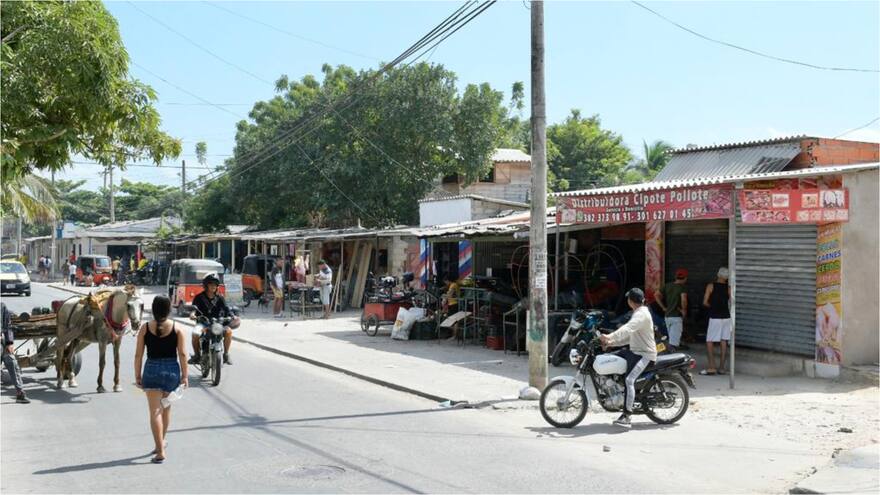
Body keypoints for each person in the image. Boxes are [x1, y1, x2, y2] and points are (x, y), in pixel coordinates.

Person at [134, 295, 188, 464]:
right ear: (169, 309)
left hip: (151, 370)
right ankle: (161, 443)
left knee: (155, 412)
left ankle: (160, 451)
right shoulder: (177, 328)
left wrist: (137, 375)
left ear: (154, 309)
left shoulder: (145, 328)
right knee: (165, 409)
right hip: (171, 372)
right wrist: (185, 376)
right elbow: (183, 354)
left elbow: (138, 354)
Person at [599, 288, 656, 429]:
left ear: (630, 301)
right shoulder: (638, 313)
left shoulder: (640, 315)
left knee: (629, 380)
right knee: (610, 358)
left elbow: (627, 329)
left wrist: (609, 337)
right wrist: (611, 344)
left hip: (645, 354)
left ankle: (627, 416)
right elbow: (630, 338)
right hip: (635, 351)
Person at [188, 274, 239, 366]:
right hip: (204, 323)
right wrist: (192, 314)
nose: (213, 286)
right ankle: (197, 355)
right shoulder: (199, 297)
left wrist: (232, 316)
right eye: (211, 284)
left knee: (229, 332)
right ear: (206, 285)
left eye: (215, 284)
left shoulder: (220, 298)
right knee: (195, 333)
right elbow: (194, 310)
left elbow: (227, 309)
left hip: (218, 324)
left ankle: (226, 354)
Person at [702, 267, 731, 375]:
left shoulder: (711, 286)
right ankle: (722, 368)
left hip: (715, 317)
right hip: (726, 317)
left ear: (718, 275)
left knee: (710, 341)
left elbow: (705, 302)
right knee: (724, 341)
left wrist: (712, 306)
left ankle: (711, 366)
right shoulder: (729, 288)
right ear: (727, 278)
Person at [2, 303, 30, 404]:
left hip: (2, 343)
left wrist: (9, 343)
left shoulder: (2, 307)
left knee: (13, 363)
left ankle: (20, 393)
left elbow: (8, 326)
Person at [655, 268, 688, 351]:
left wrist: (663, 307)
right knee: (673, 344)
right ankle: (668, 356)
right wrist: (684, 310)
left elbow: (656, 295)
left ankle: (661, 351)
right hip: (676, 316)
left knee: (671, 339)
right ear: (685, 278)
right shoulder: (682, 288)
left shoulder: (667, 285)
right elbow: (683, 299)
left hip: (667, 316)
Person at [442, 274, 461, 341]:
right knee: (451, 320)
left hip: (454, 304)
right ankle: (455, 335)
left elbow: (450, 294)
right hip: (452, 304)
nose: (446, 283)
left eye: (445, 282)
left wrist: (444, 298)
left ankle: (455, 336)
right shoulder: (452, 285)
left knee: (454, 321)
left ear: (448, 280)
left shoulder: (453, 285)